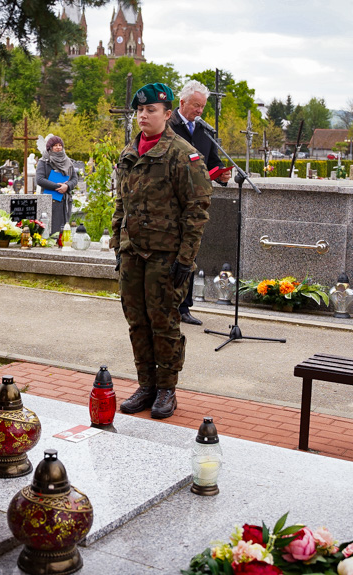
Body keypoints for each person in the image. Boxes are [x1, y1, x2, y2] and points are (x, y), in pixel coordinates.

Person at [110, 82, 212, 419]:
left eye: (151, 110)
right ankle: (146, 385)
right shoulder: (129, 152)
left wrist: (186, 259)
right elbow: (120, 204)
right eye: (139, 110)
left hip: (165, 256)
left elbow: (196, 210)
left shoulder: (183, 154)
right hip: (132, 253)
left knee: (164, 322)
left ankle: (167, 389)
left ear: (167, 114)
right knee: (137, 322)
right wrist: (116, 245)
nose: (143, 115)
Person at [167, 79, 229, 326]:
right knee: (169, 254)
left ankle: (184, 307)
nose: (199, 111)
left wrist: (222, 175)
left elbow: (213, 161)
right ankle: (166, 304)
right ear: (182, 103)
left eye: (202, 106)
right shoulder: (168, 126)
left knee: (189, 252)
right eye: (195, 105)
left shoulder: (205, 130)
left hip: (195, 203)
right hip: (171, 201)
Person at [36, 135, 78, 235]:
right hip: (50, 200)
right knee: (51, 230)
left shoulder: (68, 161)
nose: (58, 147)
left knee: (63, 229)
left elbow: (74, 178)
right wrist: (57, 186)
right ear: (50, 147)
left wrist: (67, 187)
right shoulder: (44, 162)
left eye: (60, 145)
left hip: (64, 200)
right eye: (55, 145)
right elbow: (39, 179)